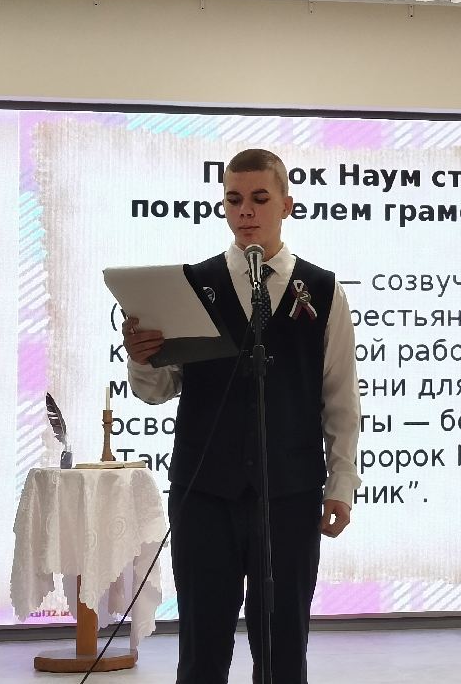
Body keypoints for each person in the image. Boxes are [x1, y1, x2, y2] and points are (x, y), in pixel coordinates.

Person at [121, 148, 361, 684]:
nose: (245, 211)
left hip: (290, 494)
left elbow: (341, 399)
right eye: (233, 199)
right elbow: (158, 390)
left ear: (286, 205)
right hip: (205, 494)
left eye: (259, 198)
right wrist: (140, 358)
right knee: (202, 648)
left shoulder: (323, 291)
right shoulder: (192, 285)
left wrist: (341, 482)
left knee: (282, 650)